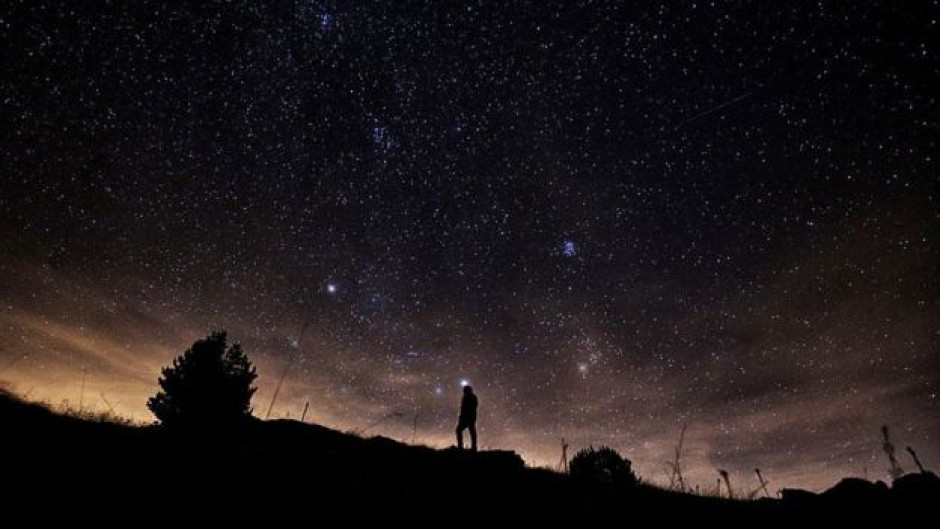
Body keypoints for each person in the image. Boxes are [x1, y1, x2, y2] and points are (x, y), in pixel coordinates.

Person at [455, 385, 478, 451]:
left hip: (469, 418)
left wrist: (463, 417)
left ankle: (463, 447)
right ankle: (471, 447)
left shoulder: (471, 397)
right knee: (471, 432)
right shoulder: (469, 397)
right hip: (468, 418)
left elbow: (471, 408)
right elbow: (463, 409)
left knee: (470, 432)